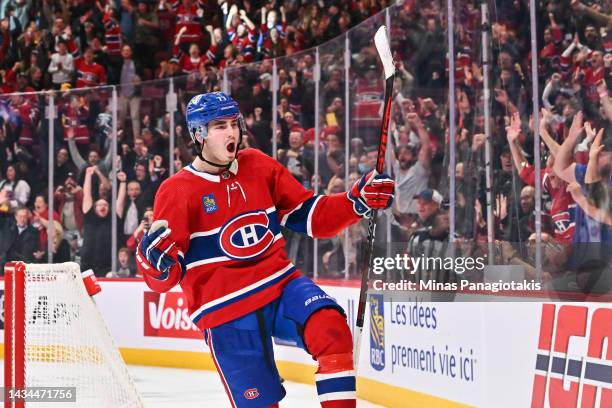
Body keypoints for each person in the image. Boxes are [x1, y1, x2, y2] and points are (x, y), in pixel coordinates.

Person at [136, 92, 395, 407]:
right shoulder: (177, 190)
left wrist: (357, 200)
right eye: (219, 126)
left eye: (234, 123)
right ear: (198, 134)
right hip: (224, 311)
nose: (231, 132)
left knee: (330, 328)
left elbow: (312, 216)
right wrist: (153, 263)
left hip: (280, 285)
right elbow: (164, 278)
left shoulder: (257, 164)